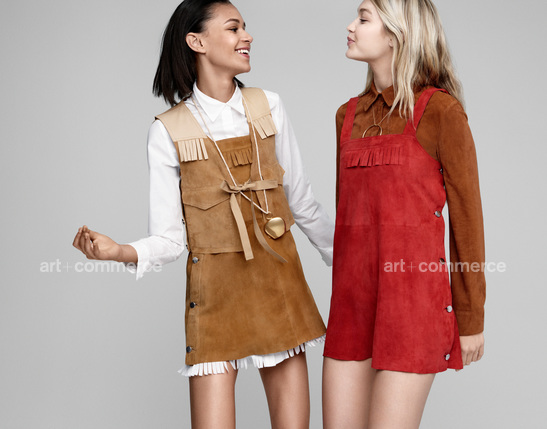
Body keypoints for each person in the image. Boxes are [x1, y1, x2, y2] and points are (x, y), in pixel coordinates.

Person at [72, 1, 334, 427]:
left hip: (279, 285)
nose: (247, 36)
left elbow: (301, 202)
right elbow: (170, 239)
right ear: (196, 41)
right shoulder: (167, 130)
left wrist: (349, 259)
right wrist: (118, 251)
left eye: (245, 27)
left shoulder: (269, 105)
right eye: (233, 28)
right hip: (214, 295)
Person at [322, 0, 486, 428]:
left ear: (396, 33)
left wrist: (470, 319)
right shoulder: (347, 116)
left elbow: (467, 224)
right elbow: (347, 222)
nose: (350, 26)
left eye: (363, 18)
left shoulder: (441, 112)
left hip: (413, 307)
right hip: (351, 307)